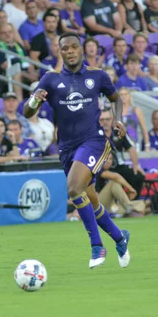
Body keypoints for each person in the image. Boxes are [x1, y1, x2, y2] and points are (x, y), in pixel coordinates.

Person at [23, 32, 130, 269]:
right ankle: (120, 238)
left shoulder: (97, 75)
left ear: (81, 50)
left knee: (73, 187)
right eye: (65, 48)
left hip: (94, 141)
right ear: (59, 52)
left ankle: (96, 245)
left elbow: (116, 99)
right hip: (67, 148)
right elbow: (26, 112)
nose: (70, 51)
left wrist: (118, 120)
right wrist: (34, 102)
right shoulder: (50, 80)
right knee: (90, 201)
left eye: (74, 47)